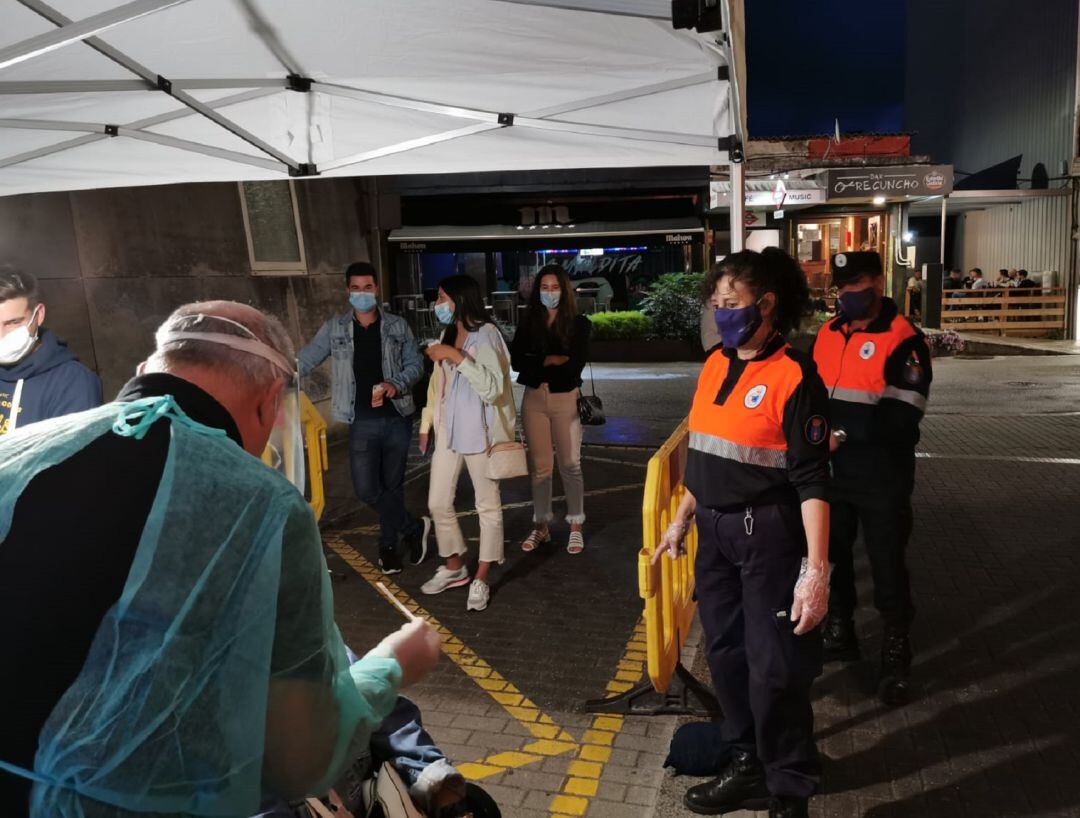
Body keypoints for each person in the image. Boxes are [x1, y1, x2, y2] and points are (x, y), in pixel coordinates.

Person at [0, 300, 443, 818]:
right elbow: (300, 759)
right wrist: (391, 665)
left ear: (150, 368)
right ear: (269, 401)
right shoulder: (264, 507)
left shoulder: (18, 454)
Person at [654, 248, 831, 818]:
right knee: (726, 655)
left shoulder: (795, 374)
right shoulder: (714, 365)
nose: (722, 314)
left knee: (774, 666)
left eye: (732, 304)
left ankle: (789, 788)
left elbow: (812, 479)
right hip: (715, 533)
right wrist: (681, 518)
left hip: (769, 536)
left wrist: (817, 572)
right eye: (717, 303)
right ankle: (746, 761)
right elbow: (706, 457)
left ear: (767, 303)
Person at [812, 252, 932, 707]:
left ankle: (896, 650)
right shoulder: (827, 333)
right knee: (833, 555)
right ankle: (841, 629)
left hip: (882, 474)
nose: (847, 293)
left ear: (878, 282)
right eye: (841, 286)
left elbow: (904, 416)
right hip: (832, 473)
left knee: (886, 563)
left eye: (856, 283)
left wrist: (842, 433)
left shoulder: (905, 339)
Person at [299, 261, 428, 575]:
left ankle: (387, 548)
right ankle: (413, 527)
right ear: (347, 291)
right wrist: (270, 373)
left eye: (367, 287)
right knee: (367, 489)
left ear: (376, 288)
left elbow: (416, 365)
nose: (361, 294)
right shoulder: (335, 328)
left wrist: (394, 385)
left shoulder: (397, 326)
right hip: (361, 420)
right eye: (355, 288)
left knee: (392, 485)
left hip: (397, 416)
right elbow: (304, 360)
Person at [418, 275, 517, 613]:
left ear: (459, 299)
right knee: (437, 501)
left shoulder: (487, 335)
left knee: (487, 505)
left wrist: (457, 357)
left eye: (443, 296)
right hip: (448, 432)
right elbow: (437, 387)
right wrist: (427, 423)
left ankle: (481, 576)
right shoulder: (448, 333)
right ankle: (454, 565)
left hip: (481, 433)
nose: (438, 303)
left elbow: (493, 388)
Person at [511, 264, 591, 554]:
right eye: (544, 287)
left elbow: (574, 363)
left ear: (565, 290)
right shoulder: (529, 322)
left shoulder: (579, 323)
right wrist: (548, 360)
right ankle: (541, 526)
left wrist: (542, 361)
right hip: (534, 399)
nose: (549, 293)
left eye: (554, 287)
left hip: (565, 398)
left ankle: (575, 526)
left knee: (570, 464)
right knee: (540, 469)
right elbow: (517, 361)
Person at [0, 264, 102, 435]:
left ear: (38, 315)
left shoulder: (74, 383)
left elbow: (73, 458)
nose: (1, 336)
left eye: (13, 323)